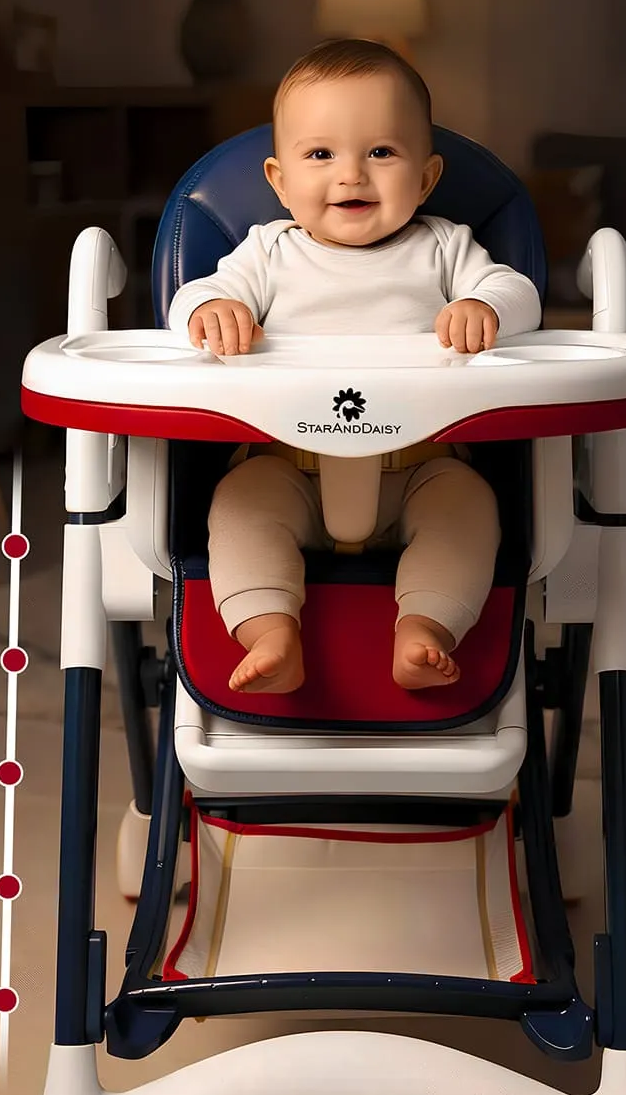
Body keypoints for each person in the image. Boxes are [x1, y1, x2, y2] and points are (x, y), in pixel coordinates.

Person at [170, 36, 540, 694]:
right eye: (321, 154)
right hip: (288, 467)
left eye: (381, 152)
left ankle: (425, 629)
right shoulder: (267, 253)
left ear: (426, 178)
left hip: (422, 466)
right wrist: (213, 309)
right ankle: (270, 632)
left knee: (469, 505)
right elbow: (192, 299)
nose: (351, 175)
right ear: (279, 181)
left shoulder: (445, 247)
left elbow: (520, 294)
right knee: (239, 503)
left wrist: (484, 305)